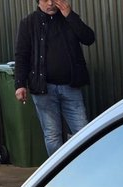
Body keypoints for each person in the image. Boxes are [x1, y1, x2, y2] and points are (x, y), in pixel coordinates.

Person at [14, 0, 95, 156]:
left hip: (71, 86)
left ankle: (86, 169)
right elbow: (21, 55)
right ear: (38, 2)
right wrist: (20, 84)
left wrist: (70, 16)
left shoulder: (68, 18)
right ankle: (59, 174)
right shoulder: (28, 23)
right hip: (44, 88)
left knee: (83, 131)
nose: (51, 3)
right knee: (52, 135)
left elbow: (89, 38)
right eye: (45, 0)